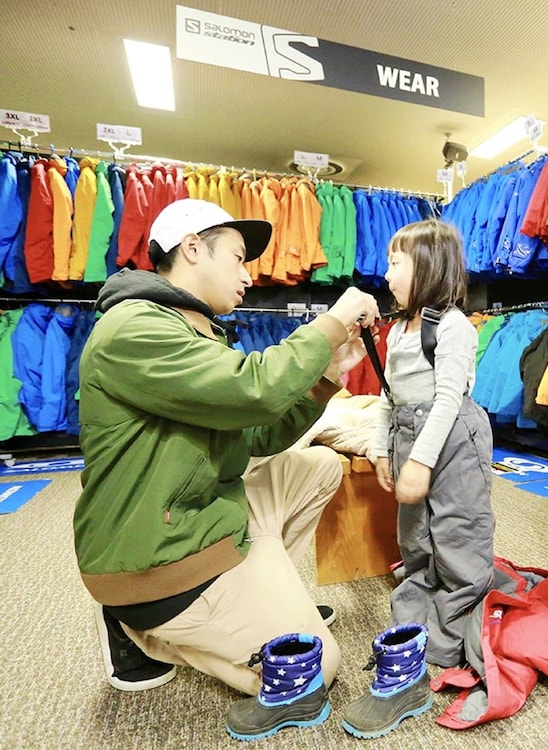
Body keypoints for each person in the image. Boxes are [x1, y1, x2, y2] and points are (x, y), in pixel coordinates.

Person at [74, 199, 380, 737]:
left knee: (319, 466)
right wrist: (331, 323)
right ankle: (144, 630)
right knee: (315, 670)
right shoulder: (134, 328)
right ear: (192, 248)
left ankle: (261, 595)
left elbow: (256, 434)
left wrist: (325, 378)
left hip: (201, 520)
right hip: (157, 555)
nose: (248, 275)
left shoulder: (196, 331)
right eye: (238, 259)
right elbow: (254, 389)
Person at [341, 219, 495, 739]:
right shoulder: (398, 327)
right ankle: (411, 628)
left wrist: (422, 462)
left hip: (452, 442)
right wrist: (384, 451)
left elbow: (449, 399)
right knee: (415, 540)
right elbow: (388, 394)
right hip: (410, 436)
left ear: (428, 267)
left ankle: (448, 645)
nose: (386, 274)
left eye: (396, 263)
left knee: (458, 535)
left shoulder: (452, 326)